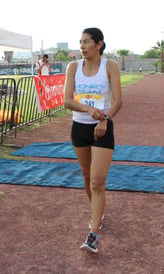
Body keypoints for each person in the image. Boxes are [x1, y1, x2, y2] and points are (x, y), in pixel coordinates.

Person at [63, 27, 123, 254]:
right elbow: (67, 101)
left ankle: (93, 233)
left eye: (86, 42)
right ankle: (97, 213)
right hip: (80, 127)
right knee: (87, 177)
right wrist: (88, 109)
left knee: (97, 181)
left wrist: (105, 119)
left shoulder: (110, 66)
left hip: (103, 128)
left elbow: (118, 100)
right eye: (80, 42)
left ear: (99, 44)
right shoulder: (73, 67)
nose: (82, 46)